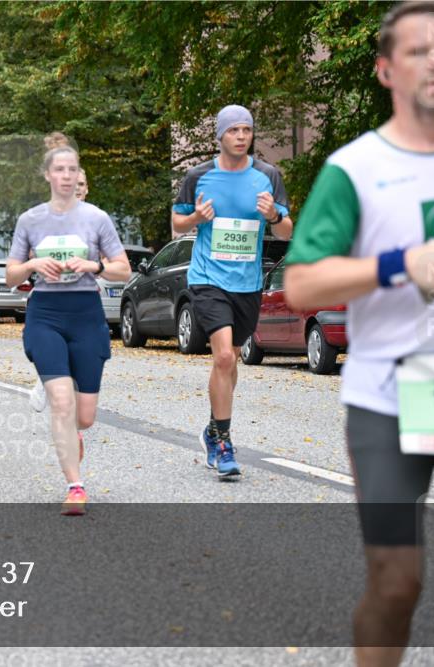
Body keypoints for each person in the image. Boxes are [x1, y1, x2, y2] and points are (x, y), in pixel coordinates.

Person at [284, 3, 434, 665]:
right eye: (420, 50)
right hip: (390, 393)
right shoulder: (356, 169)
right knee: (399, 584)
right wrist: (404, 263)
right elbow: (303, 284)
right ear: (384, 69)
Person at [6, 144, 130, 515]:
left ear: (78, 176)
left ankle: (73, 431)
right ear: (47, 175)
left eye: (72, 169)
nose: (66, 176)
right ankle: (75, 486)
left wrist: (93, 267)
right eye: (59, 169)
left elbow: (122, 269)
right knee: (61, 401)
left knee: (85, 416)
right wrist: (33, 264)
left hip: (86, 314)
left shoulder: (97, 218)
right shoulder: (30, 220)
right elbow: (11, 274)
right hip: (45, 313)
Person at [171, 104, 293, 478]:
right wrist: (196, 219)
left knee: (233, 358)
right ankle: (223, 443)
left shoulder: (268, 175)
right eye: (234, 130)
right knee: (223, 357)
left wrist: (274, 215)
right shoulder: (198, 176)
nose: (241, 136)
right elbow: (177, 224)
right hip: (208, 278)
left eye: (247, 130)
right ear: (220, 136)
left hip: (248, 283)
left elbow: (286, 231)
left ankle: (212, 427)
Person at [30, 156, 91, 412]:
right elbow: (31, 255)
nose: (77, 188)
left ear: (87, 189)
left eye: (81, 184)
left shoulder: (95, 220)